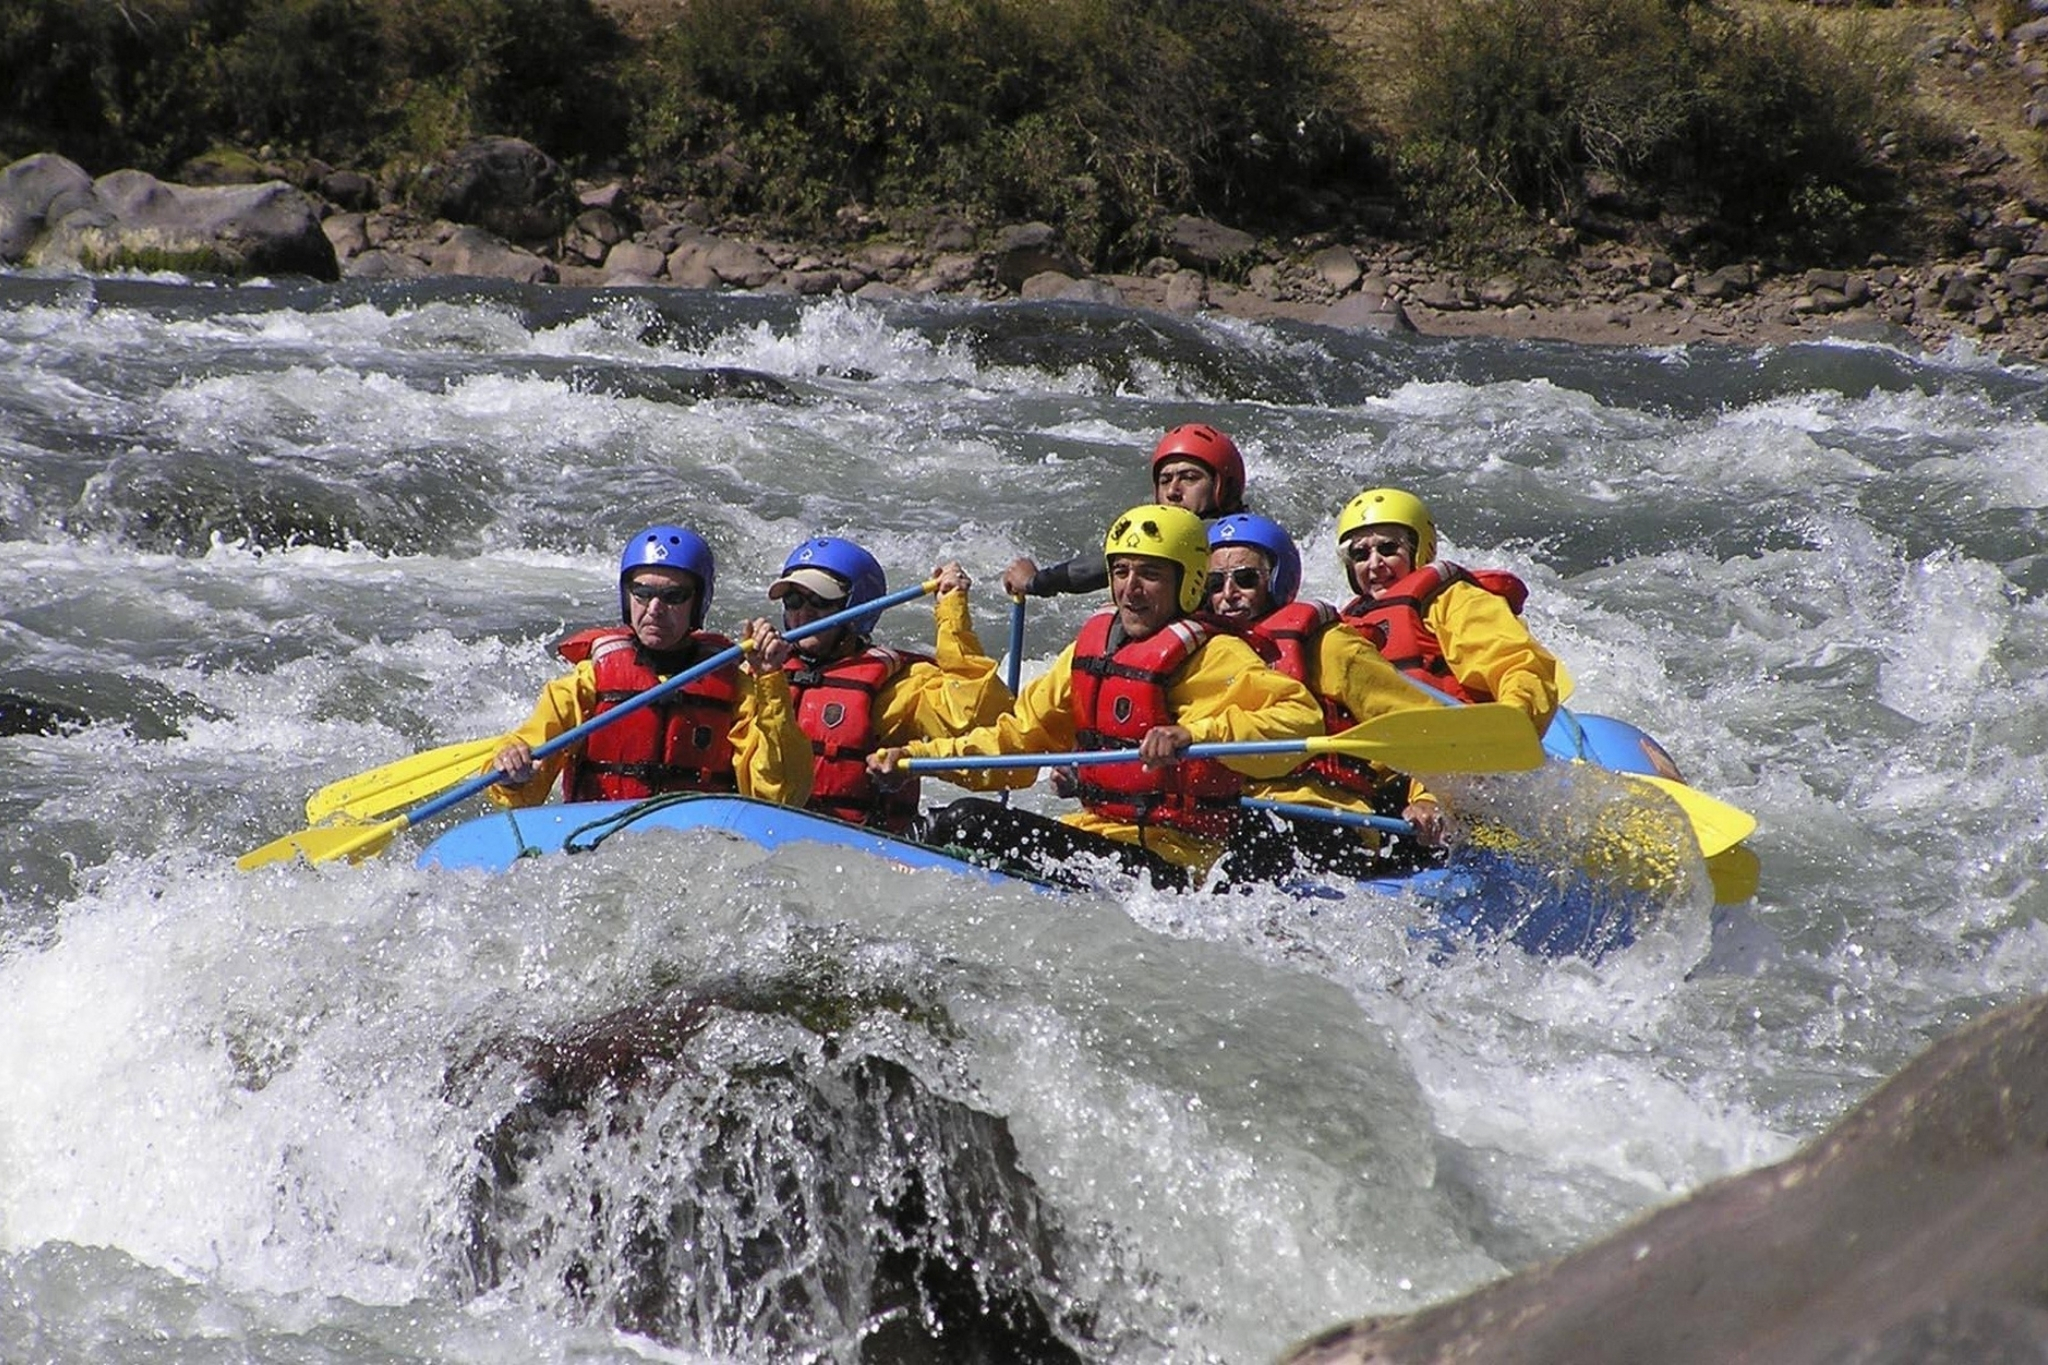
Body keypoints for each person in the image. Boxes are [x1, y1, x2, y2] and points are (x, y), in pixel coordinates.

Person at [873, 504, 1323, 890]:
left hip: (1172, 866)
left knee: (966, 823)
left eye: (1150, 574)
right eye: (1121, 572)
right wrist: (915, 756)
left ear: (1188, 583)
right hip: (1096, 837)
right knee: (933, 826)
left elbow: (1300, 720)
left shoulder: (1216, 655)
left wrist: (1192, 733)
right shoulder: (1091, 650)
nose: (1130, 588)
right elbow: (1014, 742)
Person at [485, 525, 813, 807]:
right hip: (599, 842)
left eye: (674, 596)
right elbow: (523, 786)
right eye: (642, 593)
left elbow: (780, 795)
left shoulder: (738, 689)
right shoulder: (588, 681)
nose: (654, 608)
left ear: (699, 602)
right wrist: (512, 770)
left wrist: (770, 678)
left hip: (697, 845)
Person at [1204, 513, 1449, 882]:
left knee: (1252, 838)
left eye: (1245, 579)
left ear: (1276, 580)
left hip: (1326, 817)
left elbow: (1422, 725)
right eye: (1214, 583)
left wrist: (1427, 799)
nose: (1228, 595)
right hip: (1235, 813)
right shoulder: (1200, 654)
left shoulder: (1330, 646)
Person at [769, 535, 1020, 833]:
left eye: (820, 601)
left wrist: (952, 618)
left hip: (858, 844)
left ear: (857, 607)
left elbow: (977, 722)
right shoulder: (762, 672)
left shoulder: (903, 685)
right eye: (792, 600)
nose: (803, 613)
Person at [1334, 488, 1562, 731]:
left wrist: (1514, 714)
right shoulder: (1346, 624)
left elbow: (1513, 662)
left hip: (1461, 735)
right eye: (1360, 554)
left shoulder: (1453, 599)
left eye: (1388, 549)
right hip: (1386, 748)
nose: (1374, 564)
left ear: (1420, 550)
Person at [1000, 423, 1247, 598]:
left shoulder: (1223, 534)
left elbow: (1096, 568)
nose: (1173, 491)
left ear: (1223, 488)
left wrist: (1036, 582)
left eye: (1189, 478)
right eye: (1165, 480)